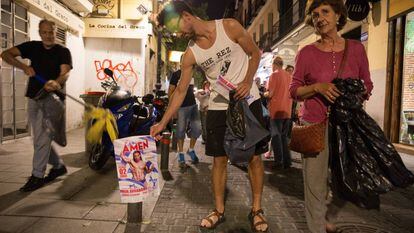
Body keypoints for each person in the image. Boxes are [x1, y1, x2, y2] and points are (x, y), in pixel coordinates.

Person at [152, 1, 269, 232]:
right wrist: (163, 122)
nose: (175, 32)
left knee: (254, 157)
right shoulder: (190, 54)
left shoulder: (230, 26)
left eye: (173, 25)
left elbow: (255, 53)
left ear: (186, 15)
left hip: (248, 102)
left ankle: (257, 209)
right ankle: (218, 210)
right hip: (218, 107)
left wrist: (247, 81)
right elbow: (181, 91)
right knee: (219, 159)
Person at [289, 0, 373, 232]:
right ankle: (316, 227)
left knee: (345, 180)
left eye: (325, 12)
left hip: (348, 126)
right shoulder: (306, 53)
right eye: (315, 15)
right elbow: (294, 90)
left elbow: (367, 83)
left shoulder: (356, 48)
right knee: (315, 184)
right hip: (316, 124)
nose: (319, 18)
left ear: (338, 16)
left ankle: (328, 216)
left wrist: (354, 94)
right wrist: (317, 87)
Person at [1, 19, 72, 192]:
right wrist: (23, 67)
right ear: (40, 32)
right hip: (34, 97)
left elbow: (65, 73)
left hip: (53, 100)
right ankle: (58, 166)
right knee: (40, 138)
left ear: (56, 32)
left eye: (51, 32)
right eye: (45, 32)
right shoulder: (32, 47)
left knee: (41, 138)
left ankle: (37, 176)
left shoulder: (63, 51)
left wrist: (56, 82)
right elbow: (5, 54)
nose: (48, 36)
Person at [168, 69, 200, 167]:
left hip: (193, 105)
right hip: (181, 107)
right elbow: (170, 91)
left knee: (198, 129)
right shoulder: (176, 74)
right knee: (180, 131)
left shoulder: (191, 73)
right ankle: (181, 154)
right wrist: (173, 108)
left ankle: (191, 150)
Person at [265, 56, 293, 169]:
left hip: (276, 110)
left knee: (276, 137)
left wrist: (264, 94)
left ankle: (279, 161)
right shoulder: (289, 76)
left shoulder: (274, 75)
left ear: (274, 64)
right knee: (284, 137)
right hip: (287, 110)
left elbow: (270, 94)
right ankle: (287, 161)